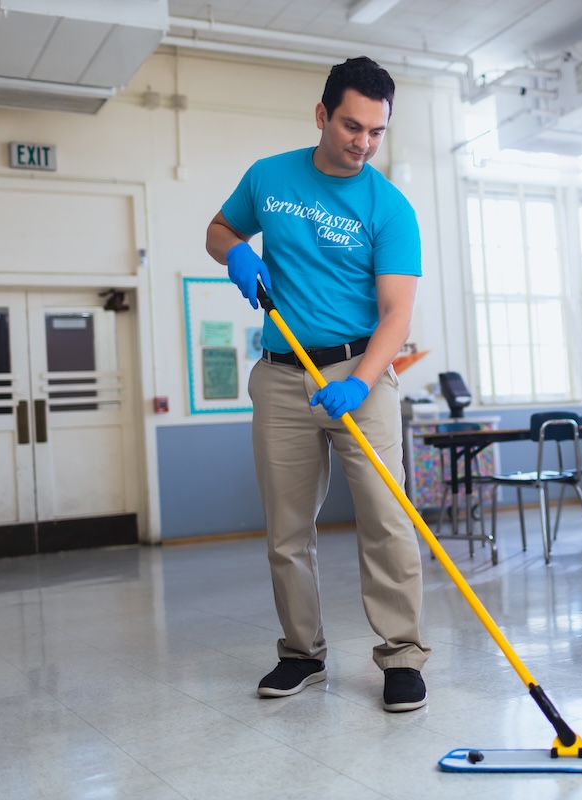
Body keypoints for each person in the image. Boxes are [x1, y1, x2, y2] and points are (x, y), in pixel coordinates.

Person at [204, 56, 430, 712]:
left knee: (386, 518)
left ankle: (401, 655)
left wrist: (360, 383)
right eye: (352, 126)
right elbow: (219, 229)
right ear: (322, 115)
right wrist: (235, 251)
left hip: (361, 372)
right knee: (287, 529)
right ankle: (302, 653)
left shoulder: (390, 207)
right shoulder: (269, 177)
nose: (364, 142)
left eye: (377, 131)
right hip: (280, 374)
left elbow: (396, 315)